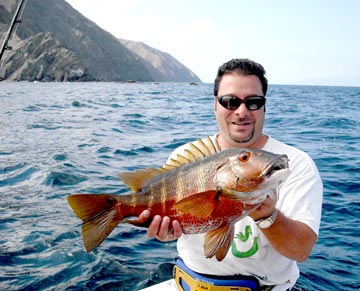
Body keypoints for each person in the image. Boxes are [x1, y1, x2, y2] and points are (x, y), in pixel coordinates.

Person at [138, 58, 323, 291]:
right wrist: (165, 233)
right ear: (215, 104)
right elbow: (176, 219)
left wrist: (267, 215)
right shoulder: (185, 156)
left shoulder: (293, 164)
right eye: (230, 101)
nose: (242, 111)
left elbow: (301, 250)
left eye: (253, 102)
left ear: (264, 106)